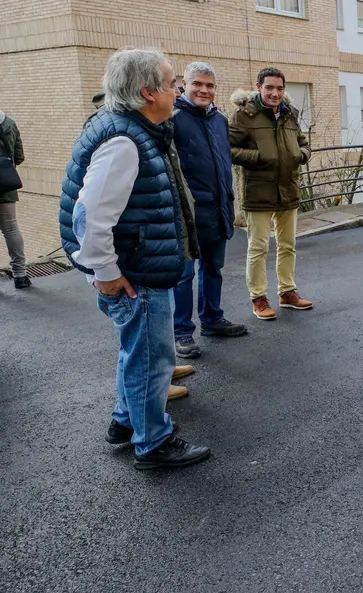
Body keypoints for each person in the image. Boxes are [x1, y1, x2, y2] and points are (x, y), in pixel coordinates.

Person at [58, 48, 210, 470]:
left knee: (136, 349)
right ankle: (154, 441)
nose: (178, 88)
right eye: (171, 82)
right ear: (147, 92)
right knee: (151, 357)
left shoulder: (129, 129)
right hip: (134, 271)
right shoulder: (125, 140)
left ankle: (125, 421)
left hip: (133, 264)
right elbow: (89, 215)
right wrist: (105, 273)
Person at [171, 62, 248, 359]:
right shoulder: (174, 118)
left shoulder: (219, 120)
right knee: (184, 274)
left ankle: (212, 319)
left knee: (213, 268)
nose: (204, 90)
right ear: (184, 85)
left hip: (218, 208)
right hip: (188, 212)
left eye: (210, 85)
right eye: (197, 84)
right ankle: (182, 333)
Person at [229, 67, 313, 321]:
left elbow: (303, 143)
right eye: (269, 88)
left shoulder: (290, 114)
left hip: (288, 188)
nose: (275, 93)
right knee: (259, 248)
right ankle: (259, 298)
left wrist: (302, 155)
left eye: (279, 88)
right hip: (258, 190)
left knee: (288, 245)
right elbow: (228, 148)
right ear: (258, 87)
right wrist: (257, 157)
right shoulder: (244, 115)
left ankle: (287, 292)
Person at [0, 108, 28, 289]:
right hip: (5, 183)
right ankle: (20, 275)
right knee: (10, 227)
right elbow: (19, 157)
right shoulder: (9, 122)